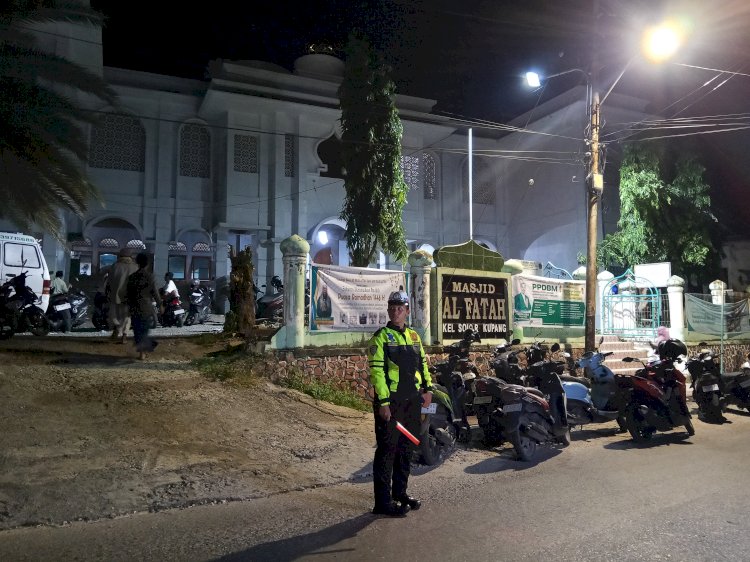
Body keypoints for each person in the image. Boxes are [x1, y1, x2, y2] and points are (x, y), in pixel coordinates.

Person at [367, 289, 433, 517]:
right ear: (388, 311)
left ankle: (400, 493)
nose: (396, 312)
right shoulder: (381, 337)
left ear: (407, 311)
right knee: (387, 451)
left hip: (412, 401)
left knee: (407, 449)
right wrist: (383, 403)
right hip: (391, 403)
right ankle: (382, 503)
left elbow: (422, 364)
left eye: (400, 309)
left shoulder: (414, 336)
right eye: (392, 308)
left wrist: (428, 389)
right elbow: (376, 372)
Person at [126, 253, 161, 360]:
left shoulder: (132, 277)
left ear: (137, 263)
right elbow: (155, 293)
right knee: (144, 330)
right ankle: (145, 349)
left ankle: (142, 352)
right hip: (146, 307)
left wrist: (128, 305)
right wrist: (160, 305)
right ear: (147, 264)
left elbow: (128, 294)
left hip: (134, 307)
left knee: (137, 330)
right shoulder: (150, 277)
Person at [106, 248, 138, 342]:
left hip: (115, 294)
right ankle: (124, 334)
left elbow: (109, 281)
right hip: (129, 296)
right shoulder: (135, 267)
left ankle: (117, 329)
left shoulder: (114, 266)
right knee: (127, 316)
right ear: (131, 256)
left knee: (114, 315)